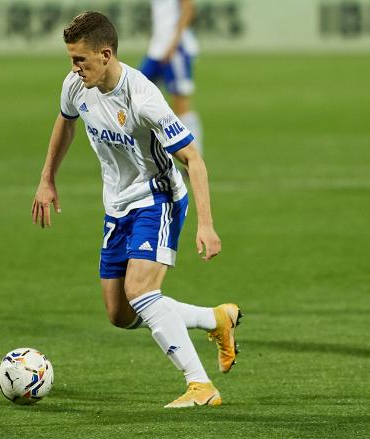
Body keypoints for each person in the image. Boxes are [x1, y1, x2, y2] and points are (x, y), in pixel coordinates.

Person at [32, 12, 241, 408]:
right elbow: (66, 123)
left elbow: (193, 160)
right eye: (71, 59)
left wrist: (206, 224)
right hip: (117, 204)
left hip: (157, 199)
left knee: (141, 291)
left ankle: (201, 385)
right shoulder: (75, 86)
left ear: (106, 54)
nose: (74, 69)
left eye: (81, 60)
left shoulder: (144, 99)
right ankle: (216, 319)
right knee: (120, 313)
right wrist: (47, 178)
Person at [140, 0, 203, 155]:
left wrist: (174, 43)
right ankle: (146, 155)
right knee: (136, 95)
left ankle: (194, 158)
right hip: (157, 47)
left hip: (175, 49)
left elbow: (188, 7)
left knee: (181, 105)